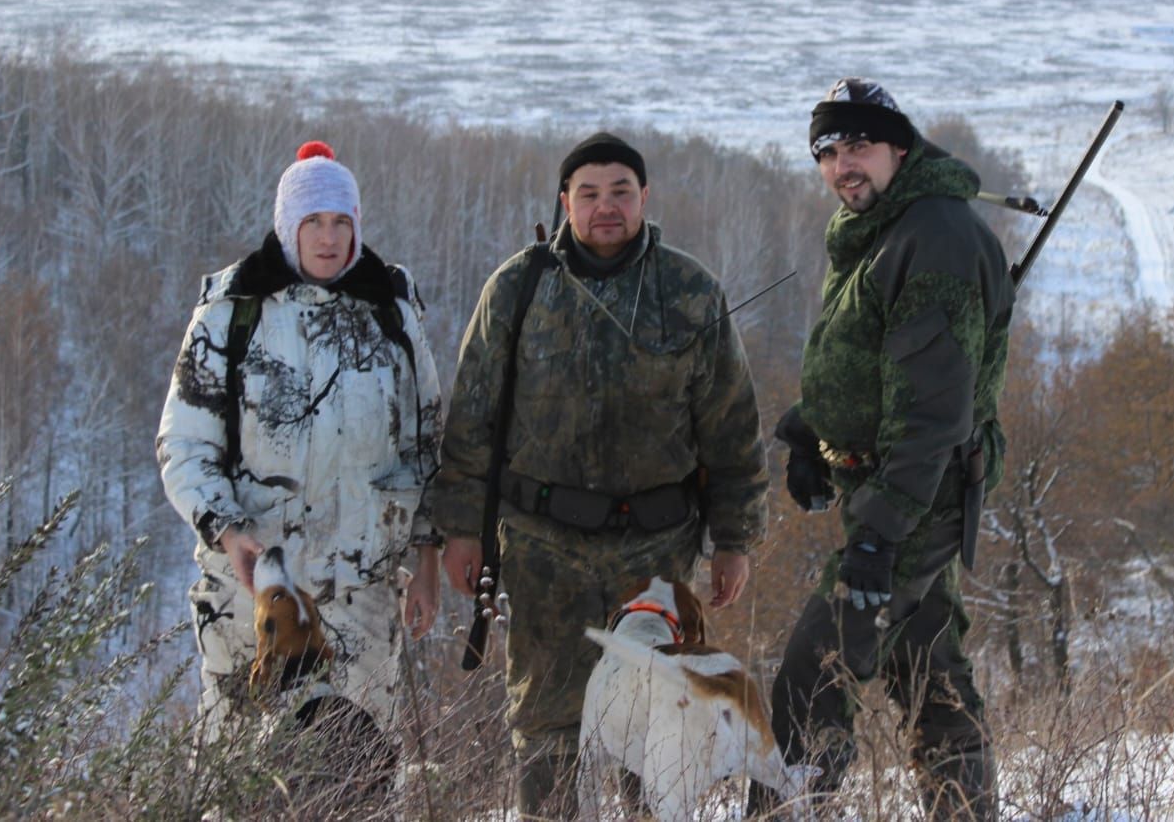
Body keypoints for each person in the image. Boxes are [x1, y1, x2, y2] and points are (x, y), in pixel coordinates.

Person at [427, 131, 770, 819]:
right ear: (564, 202)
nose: (605, 206)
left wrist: (734, 539)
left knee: (658, 729)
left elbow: (730, 427)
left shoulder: (690, 291)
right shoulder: (519, 289)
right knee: (548, 730)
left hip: (655, 552)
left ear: (644, 197)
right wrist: (459, 531)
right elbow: (470, 423)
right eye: (588, 193)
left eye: (620, 191)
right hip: (540, 550)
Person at [756, 79, 1014, 820]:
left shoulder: (932, 237)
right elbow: (875, 362)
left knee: (816, 669)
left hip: (913, 496)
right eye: (828, 151)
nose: (844, 165)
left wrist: (876, 537)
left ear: (899, 147)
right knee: (925, 659)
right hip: (893, 489)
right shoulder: (885, 228)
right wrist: (813, 430)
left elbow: (933, 409)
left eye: (859, 146)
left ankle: (788, 809)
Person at [157, 140, 443, 745]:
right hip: (252, 597)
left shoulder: (389, 313)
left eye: (342, 222)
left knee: (358, 781)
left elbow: (426, 446)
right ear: (288, 224)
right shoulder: (231, 313)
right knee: (234, 783)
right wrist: (228, 532)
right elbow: (185, 447)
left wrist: (426, 563)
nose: (328, 237)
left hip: (359, 598)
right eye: (313, 221)